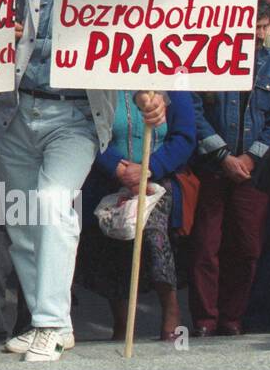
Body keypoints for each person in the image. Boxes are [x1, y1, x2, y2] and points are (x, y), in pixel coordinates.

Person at [0, 0, 167, 361]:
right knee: (20, 218)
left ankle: (51, 322)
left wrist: (147, 90)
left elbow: (131, 33)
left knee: (53, 204)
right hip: (15, 111)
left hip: (77, 116)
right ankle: (49, 321)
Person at [188, 4, 270, 336]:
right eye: (252, 26)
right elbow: (195, 109)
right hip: (213, 167)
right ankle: (205, 318)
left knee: (246, 247)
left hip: (252, 171)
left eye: (264, 26)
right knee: (206, 245)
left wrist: (250, 158)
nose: (257, 34)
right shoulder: (210, 54)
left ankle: (232, 317)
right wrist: (223, 156)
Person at [77, 90, 195, 341]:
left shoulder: (169, 82)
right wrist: (118, 167)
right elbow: (86, 129)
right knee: (115, 239)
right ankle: (122, 323)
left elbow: (185, 137)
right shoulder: (100, 84)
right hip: (110, 179)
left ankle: (171, 310)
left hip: (158, 180)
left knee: (154, 234)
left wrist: (150, 168)